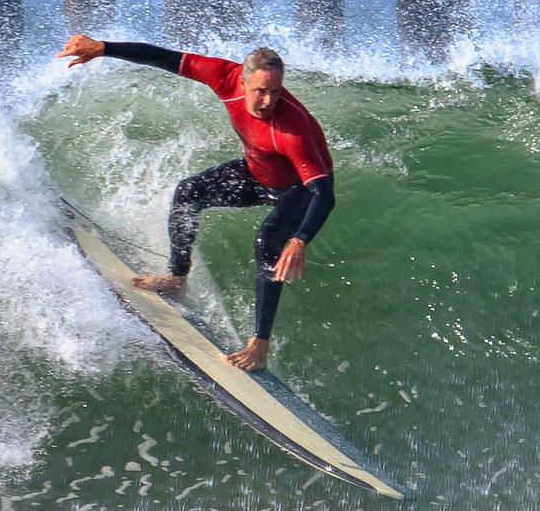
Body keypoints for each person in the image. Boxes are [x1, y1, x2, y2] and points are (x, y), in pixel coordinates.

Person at [56, 34, 335, 372]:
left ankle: (260, 345)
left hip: (297, 191)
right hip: (255, 174)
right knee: (188, 192)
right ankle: (177, 277)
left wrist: (299, 240)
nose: (267, 101)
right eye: (260, 91)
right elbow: (164, 56)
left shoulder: (292, 130)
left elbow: (324, 193)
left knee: (267, 242)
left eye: (275, 91)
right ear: (242, 81)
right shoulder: (223, 76)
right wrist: (105, 48)